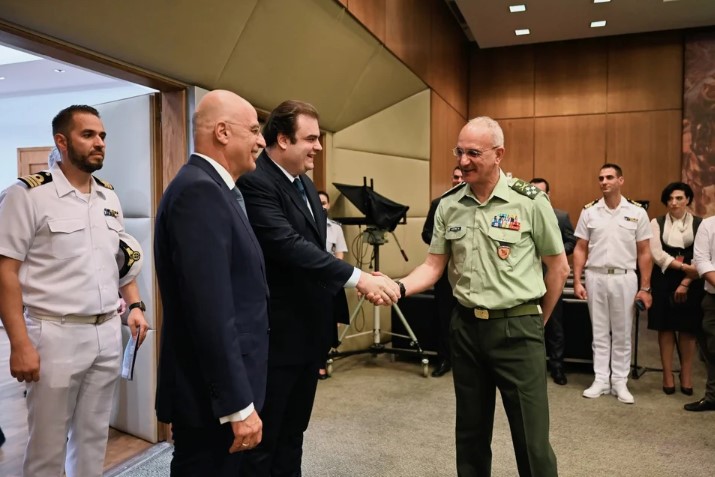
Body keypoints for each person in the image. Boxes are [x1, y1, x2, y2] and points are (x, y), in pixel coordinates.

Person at [397, 116, 569, 477]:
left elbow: (558, 269)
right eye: (459, 152)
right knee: (470, 435)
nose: (463, 161)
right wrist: (398, 287)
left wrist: (537, 321)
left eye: (473, 153)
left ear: (499, 154)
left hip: (518, 329)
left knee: (532, 440)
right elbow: (433, 266)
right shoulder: (449, 205)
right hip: (466, 329)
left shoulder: (529, 202)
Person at [237, 100, 399, 476]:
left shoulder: (306, 185)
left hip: (309, 334)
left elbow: (316, 251)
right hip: (276, 335)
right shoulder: (256, 182)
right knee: (265, 441)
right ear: (282, 139)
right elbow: (289, 246)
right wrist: (360, 278)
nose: (319, 146)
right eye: (310, 138)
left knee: (294, 432)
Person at [0, 104, 149, 477]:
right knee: (47, 446)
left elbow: (121, 260)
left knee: (93, 439)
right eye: (88, 135)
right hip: (54, 333)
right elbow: (5, 272)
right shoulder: (27, 195)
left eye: (102, 136)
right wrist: (19, 344)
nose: (100, 143)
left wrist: (135, 305)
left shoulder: (108, 197)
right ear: (62, 142)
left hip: (106, 331)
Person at [154, 90, 269, 476]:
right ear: (222, 132)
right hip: (210, 398)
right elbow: (210, 311)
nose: (261, 141)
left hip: (217, 391)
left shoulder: (218, 191)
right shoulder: (199, 192)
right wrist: (237, 405)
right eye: (254, 130)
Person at [573, 163, 653, 404]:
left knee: (622, 332)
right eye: (601, 178)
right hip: (595, 275)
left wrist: (645, 287)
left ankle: (619, 381)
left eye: (609, 177)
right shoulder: (589, 211)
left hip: (624, 277)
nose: (604, 182)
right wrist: (577, 280)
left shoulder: (637, 212)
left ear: (621, 180)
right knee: (598, 331)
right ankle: (601, 379)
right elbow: (580, 248)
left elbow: (645, 252)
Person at [648, 182, 704, 395]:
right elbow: (656, 253)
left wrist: (686, 280)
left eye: (679, 198)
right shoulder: (657, 222)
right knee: (666, 326)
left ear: (688, 200)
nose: (674, 202)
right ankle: (667, 374)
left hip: (693, 279)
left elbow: (703, 255)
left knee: (688, 328)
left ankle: (686, 374)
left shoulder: (700, 224)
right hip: (664, 278)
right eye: (670, 199)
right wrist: (682, 267)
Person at [530, 178, 577, 385]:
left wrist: (554, 254)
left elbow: (571, 241)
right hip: (527, 280)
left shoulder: (560, 216)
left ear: (548, 194)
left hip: (552, 277)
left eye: (541, 192)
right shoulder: (522, 214)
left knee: (555, 325)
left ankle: (557, 367)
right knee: (530, 323)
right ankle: (533, 366)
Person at [421, 166, 463, 377]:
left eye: (462, 177)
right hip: (445, 271)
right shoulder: (440, 203)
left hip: (470, 273)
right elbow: (426, 233)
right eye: (455, 177)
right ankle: (445, 359)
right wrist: (446, 242)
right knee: (444, 316)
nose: (458, 180)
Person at [317, 190, 349, 380]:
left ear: (328, 205)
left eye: (324, 203)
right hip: (312, 278)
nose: (322, 206)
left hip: (330, 278)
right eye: (318, 202)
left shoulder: (335, 228)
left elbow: (340, 255)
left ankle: (322, 362)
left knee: (330, 322)